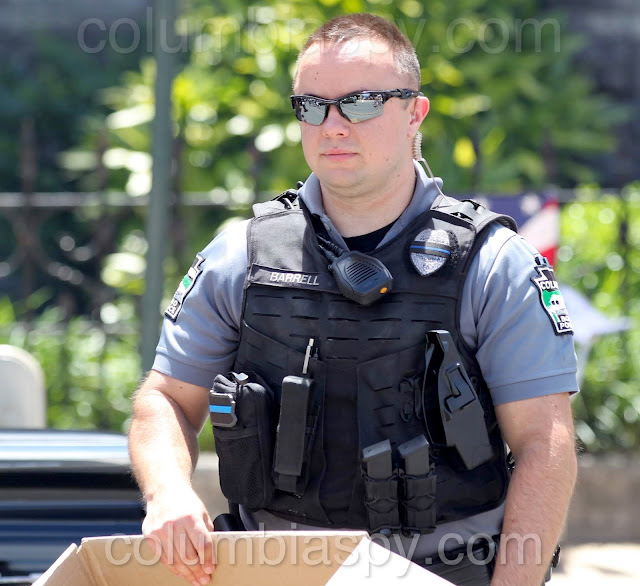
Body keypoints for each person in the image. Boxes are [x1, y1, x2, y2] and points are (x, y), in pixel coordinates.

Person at [129, 13, 578, 586]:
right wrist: (167, 490)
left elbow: (544, 443)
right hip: (277, 572)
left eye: (361, 103)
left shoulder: (493, 263)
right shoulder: (239, 256)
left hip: (444, 571)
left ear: (415, 113)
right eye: (312, 106)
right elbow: (165, 399)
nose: (333, 126)